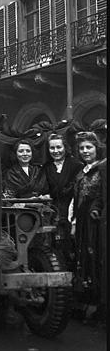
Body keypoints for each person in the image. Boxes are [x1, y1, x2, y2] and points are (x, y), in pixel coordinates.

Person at [71, 131, 105, 324]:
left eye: (89, 147)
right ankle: (86, 303)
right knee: (84, 258)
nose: (85, 151)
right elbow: (76, 200)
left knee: (96, 259)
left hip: (96, 222)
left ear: (96, 148)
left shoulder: (102, 169)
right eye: (82, 148)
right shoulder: (81, 172)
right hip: (83, 222)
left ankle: (99, 307)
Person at [42, 133, 82, 266]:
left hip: (73, 209)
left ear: (65, 147)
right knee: (56, 247)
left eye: (59, 147)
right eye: (52, 148)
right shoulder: (47, 167)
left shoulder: (76, 165)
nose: (56, 151)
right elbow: (45, 189)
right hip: (54, 211)